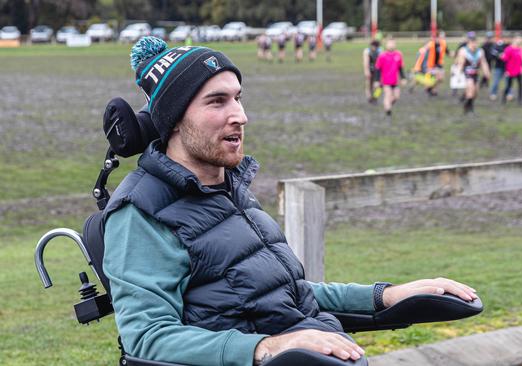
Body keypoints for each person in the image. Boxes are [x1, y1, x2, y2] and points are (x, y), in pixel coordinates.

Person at [104, 36, 478, 366]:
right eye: (217, 102)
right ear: (173, 120)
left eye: (238, 98)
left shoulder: (230, 191)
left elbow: (284, 294)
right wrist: (269, 346)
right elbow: (148, 338)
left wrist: (388, 295)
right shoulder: (141, 214)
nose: (240, 116)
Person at [455, 32, 491, 114]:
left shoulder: (480, 51)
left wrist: (487, 72)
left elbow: (483, 63)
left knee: (475, 93)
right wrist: (458, 74)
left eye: (475, 42)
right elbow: (460, 63)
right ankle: (470, 109)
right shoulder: (463, 51)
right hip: (467, 73)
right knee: (470, 89)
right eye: (472, 42)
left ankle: (466, 105)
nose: (474, 44)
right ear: (468, 42)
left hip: (475, 73)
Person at [375, 37, 406, 117]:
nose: (391, 45)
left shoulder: (398, 54)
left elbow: (400, 68)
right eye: (390, 43)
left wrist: (403, 78)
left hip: (395, 81)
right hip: (385, 81)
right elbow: (378, 69)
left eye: (393, 43)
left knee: (396, 96)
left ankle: (387, 105)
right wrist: (377, 80)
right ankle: (388, 110)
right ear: (386, 45)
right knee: (388, 94)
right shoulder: (382, 56)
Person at [501, 34, 522, 105]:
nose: (521, 40)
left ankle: (520, 100)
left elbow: (521, 60)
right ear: (514, 39)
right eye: (519, 39)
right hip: (510, 71)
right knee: (509, 86)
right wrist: (506, 71)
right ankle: (504, 98)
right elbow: (505, 60)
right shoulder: (509, 49)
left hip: (518, 70)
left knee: (521, 85)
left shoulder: (521, 49)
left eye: (521, 39)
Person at [362, 39, 382, 104]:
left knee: (380, 85)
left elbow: (382, 62)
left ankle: (375, 97)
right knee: (369, 84)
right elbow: (366, 62)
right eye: (373, 45)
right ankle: (369, 98)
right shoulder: (367, 51)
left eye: (376, 46)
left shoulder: (380, 51)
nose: (375, 47)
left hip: (378, 70)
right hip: (370, 69)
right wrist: (366, 71)